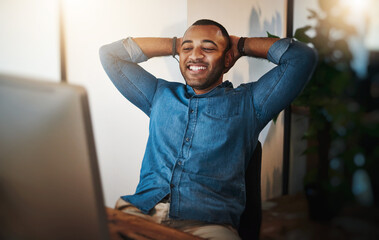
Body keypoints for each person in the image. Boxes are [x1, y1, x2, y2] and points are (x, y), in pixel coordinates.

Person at [99, 19, 317, 240]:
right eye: (188, 49)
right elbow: (110, 55)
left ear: (227, 58)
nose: (195, 55)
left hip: (207, 225)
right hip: (141, 214)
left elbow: (301, 58)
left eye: (208, 48)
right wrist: (175, 44)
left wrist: (241, 44)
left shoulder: (250, 103)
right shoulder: (159, 94)